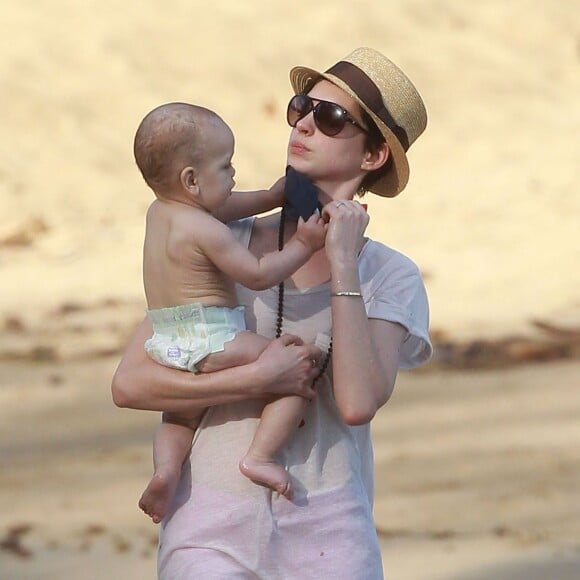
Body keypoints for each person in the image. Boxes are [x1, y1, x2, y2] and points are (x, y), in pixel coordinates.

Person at [112, 47, 433, 579]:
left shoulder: (389, 275)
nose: (305, 123)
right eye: (302, 106)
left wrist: (342, 262)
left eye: (331, 118)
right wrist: (258, 376)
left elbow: (356, 403)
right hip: (207, 531)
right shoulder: (219, 240)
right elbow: (131, 386)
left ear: (372, 156)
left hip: (330, 532)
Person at [133, 102, 327, 523]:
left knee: (179, 418)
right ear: (191, 180)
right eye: (226, 167)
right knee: (295, 363)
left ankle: (166, 470)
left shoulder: (163, 212)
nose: (234, 174)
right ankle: (260, 455)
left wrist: (273, 196)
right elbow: (257, 274)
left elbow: (229, 204)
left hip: (166, 339)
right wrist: (304, 245)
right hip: (213, 333)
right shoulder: (207, 230)